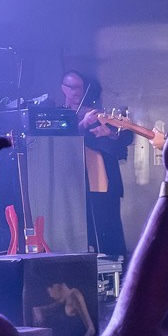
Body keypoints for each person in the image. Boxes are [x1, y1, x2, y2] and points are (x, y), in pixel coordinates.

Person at [61, 69, 132, 258]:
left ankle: (117, 269)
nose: (77, 92)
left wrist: (111, 133)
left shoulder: (95, 113)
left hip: (103, 182)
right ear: (64, 89)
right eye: (73, 88)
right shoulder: (60, 115)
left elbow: (124, 140)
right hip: (73, 185)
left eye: (80, 88)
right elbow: (61, 143)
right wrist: (82, 124)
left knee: (110, 226)